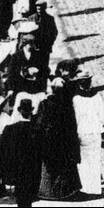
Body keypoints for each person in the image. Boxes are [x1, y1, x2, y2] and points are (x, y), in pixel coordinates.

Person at [38, 70, 82, 200]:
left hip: (50, 140)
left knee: (50, 167)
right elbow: (73, 125)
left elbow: (40, 124)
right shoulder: (67, 105)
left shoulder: (45, 104)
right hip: (64, 141)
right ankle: (67, 192)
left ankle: (49, 192)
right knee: (65, 166)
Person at [32, 0, 59, 68]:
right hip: (33, 48)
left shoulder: (50, 19)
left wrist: (49, 43)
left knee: (44, 67)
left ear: (45, 8)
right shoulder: (31, 18)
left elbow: (54, 32)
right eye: (38, 8)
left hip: (45, 48)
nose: (39, 10)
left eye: (41, 8)